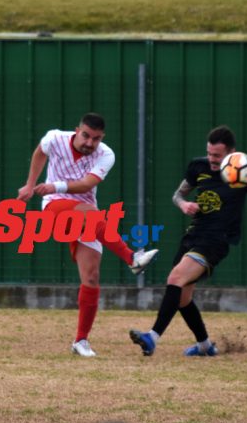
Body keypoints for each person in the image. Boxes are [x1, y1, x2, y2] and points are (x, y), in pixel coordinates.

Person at [129, 125, 247, 357]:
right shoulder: (198, 167)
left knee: (175, 278)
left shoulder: (243, 174)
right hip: (194, 234)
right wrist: (184, 205)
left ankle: (152, 337)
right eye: (209, 153)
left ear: (231, 153)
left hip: (217, 241)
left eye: (217, 156)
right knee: (183, 297)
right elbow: (178, 195)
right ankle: (206, 346)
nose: (211, 159)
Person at [18, 112, 159, 357]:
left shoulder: (106, 154)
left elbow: (86, 185)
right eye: (86, 136)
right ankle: (132, 259)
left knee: (91, 277)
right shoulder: (55, 138)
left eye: (96, 138)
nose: (89, 143)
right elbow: (40, 152)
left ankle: (80, 341)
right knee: (92, 216)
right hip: (55, 204)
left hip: (84, 211)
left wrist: (55, 184)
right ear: (77, 130)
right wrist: (31, 184)